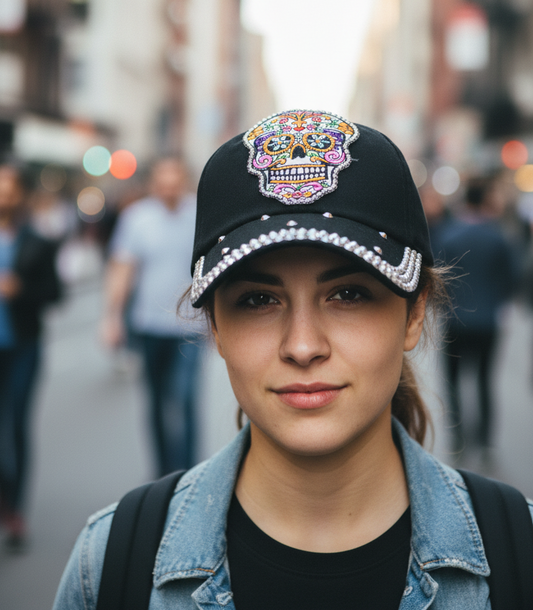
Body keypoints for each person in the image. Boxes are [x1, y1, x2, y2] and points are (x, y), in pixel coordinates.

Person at [54, 110, 533, 610]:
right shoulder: (110, 565)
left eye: (348, 293)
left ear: (414, 314)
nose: (303, 346)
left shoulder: (518, 554)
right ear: (215, 326)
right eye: (258, 300)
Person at [101, 157, 205, 476]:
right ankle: (163, 475)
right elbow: (123, 269)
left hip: (190, 326)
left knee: (184, 399)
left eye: (175, 181)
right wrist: (112, 317)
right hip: (148, 325)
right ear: (153, 184)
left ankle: (190, 474)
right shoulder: (137, 218)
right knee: (157, 403)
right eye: (163, 182)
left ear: (184, 181)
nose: (169, 188)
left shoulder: (200, 214)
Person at [0, 165, 62, 551]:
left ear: (20, 194)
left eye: (9, 188)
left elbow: (54, 293)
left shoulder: (38, 241)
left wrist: (20, 289)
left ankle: (16, 509)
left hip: (22, 347)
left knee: (17, 426)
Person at [439, 176, 517, 453]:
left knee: (454, 381)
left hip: (454, 321)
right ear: (484, 200)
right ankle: (483, 441)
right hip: (487, 321)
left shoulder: (449, 235)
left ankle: (458, 436)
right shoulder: (498, 237)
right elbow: (511, 277)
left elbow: (440, 278)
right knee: (485, 381)